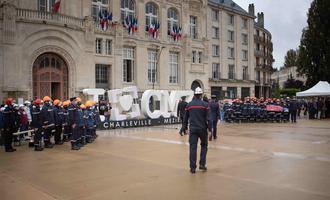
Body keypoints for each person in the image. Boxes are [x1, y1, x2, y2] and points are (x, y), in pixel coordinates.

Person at [183, 87, 209, 174]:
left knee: (192, 148)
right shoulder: (205, 105)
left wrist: (184, 128)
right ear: (201, 95)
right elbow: (209, 119)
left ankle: (192, 168)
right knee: (204, 146)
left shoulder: (189, 105)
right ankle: (202, 164)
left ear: (194, 94)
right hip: (202, 129)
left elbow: (185, 118)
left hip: (193, 129)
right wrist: (210, 130)